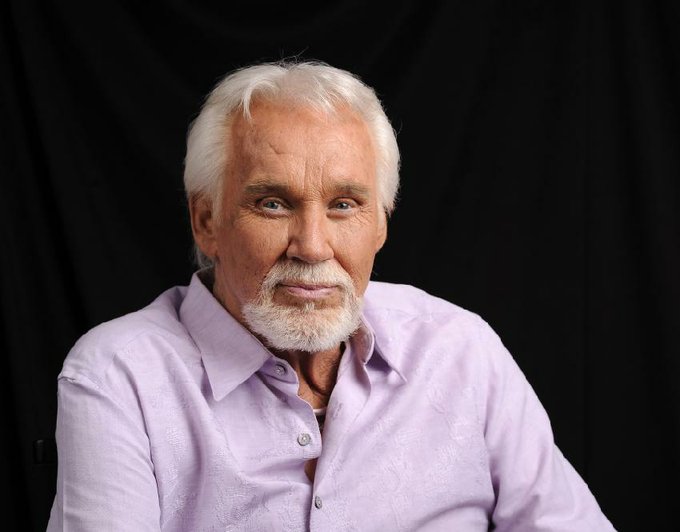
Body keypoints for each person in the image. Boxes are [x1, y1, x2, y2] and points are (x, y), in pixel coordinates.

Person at [47, 61, 615, 531]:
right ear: (206, 221)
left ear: (381, 226)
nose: (313, 247)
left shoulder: (460, 350)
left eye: (344, 204)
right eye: (273, 203)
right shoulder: (120, 375)